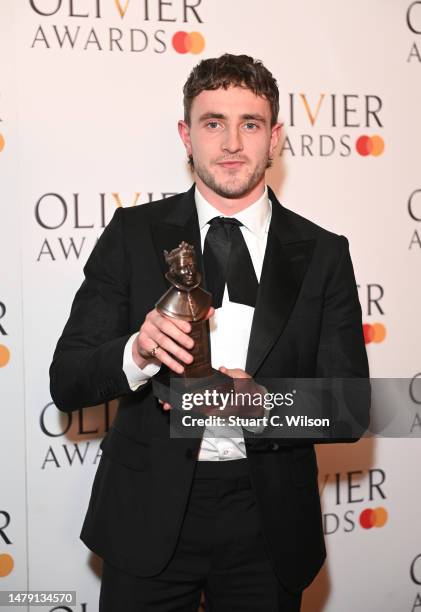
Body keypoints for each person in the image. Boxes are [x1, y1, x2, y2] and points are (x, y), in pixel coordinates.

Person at [50, 53, 369, 611]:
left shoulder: (323, 252)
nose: (231, 143)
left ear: (275, 139)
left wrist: (263, 408)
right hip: (148, 513)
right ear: (186, 135)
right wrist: (137, 352)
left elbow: (351, 408)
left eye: (250, 124)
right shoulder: (132, 234)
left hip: (266, 521)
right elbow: (68, 380)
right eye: (212, 122)